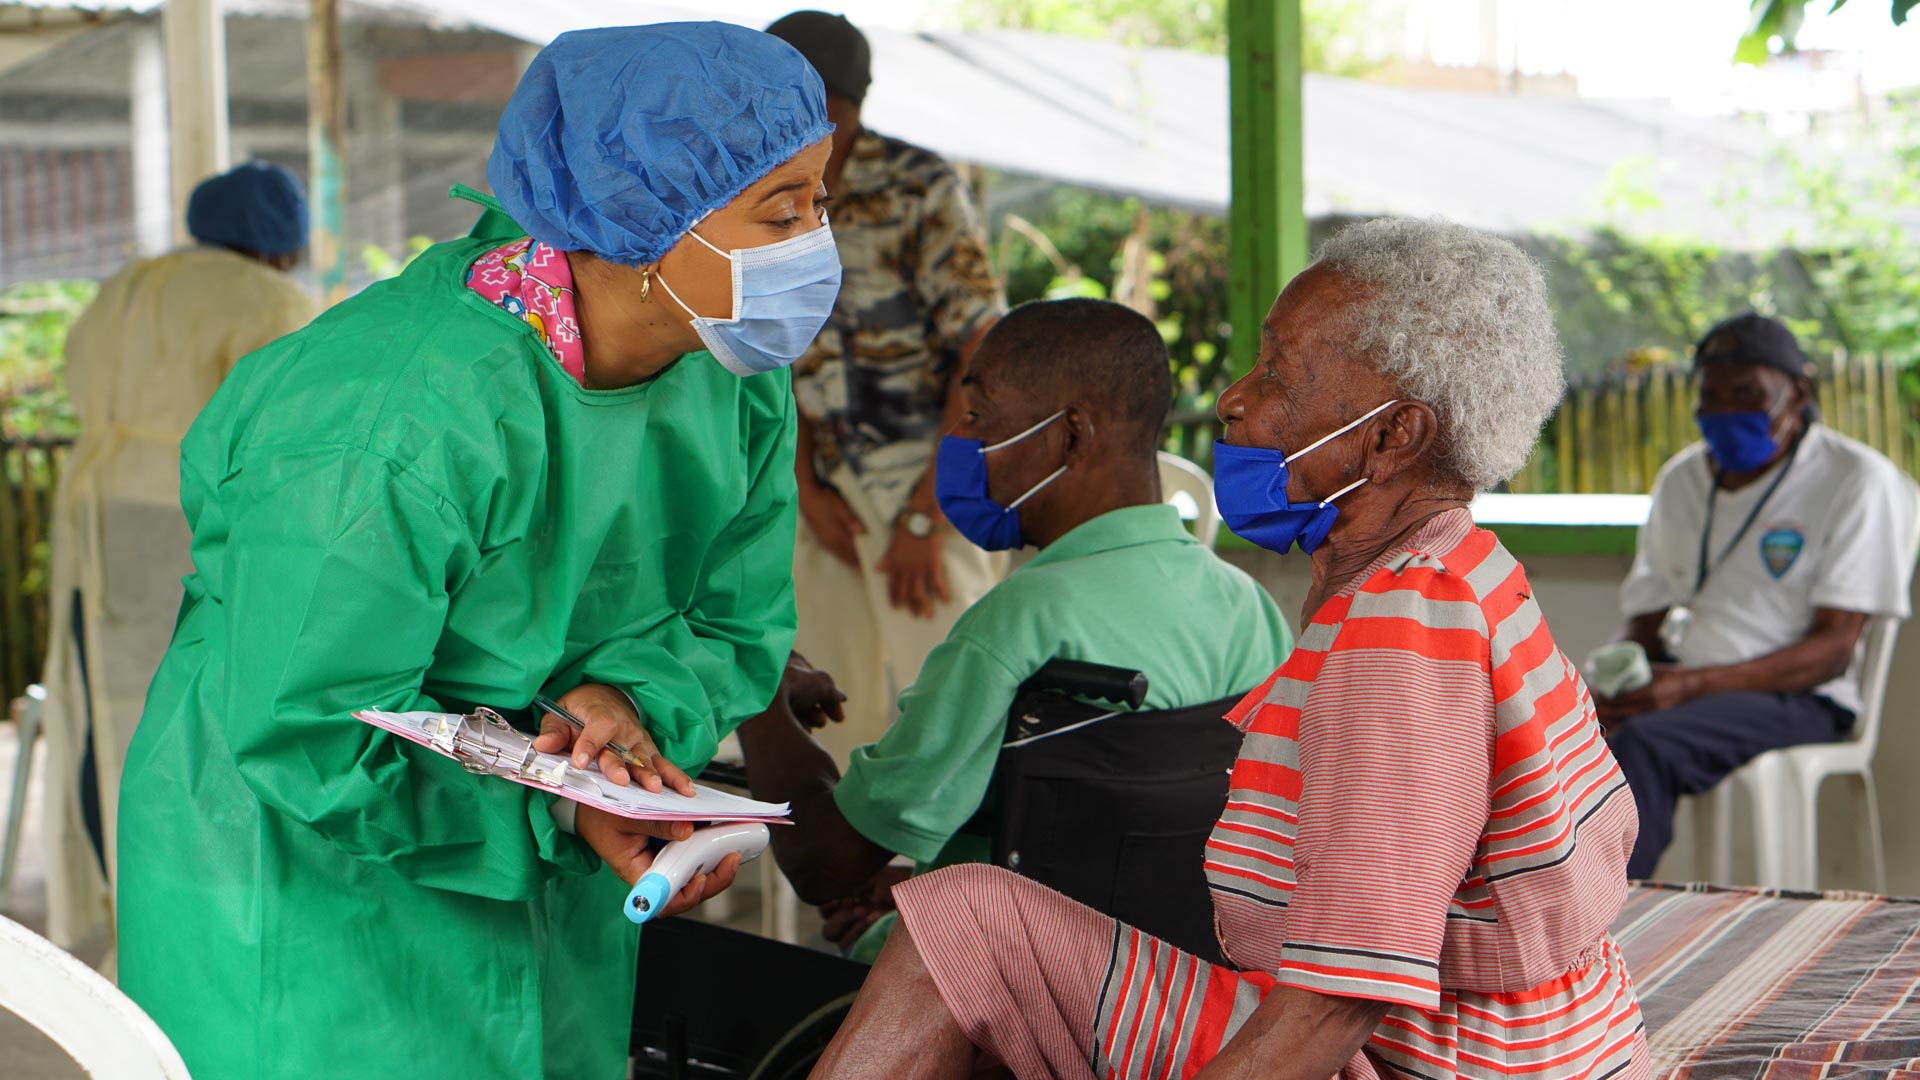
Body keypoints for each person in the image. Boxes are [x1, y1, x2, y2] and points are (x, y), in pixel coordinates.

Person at [117, 24, 837, 1079]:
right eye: (781, 210)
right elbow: (307, 728)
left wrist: (620, 708)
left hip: (542, 845)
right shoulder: (397, 421)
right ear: (642, 228)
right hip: (311, 861)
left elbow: (735, 623)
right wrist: (556, 805)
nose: (814, 243)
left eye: (822, 202)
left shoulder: (731, 376)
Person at [809, 219, 1648, 1080]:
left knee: (958, 921)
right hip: (1521, 1043)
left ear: (1393, 436)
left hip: (1446, 1064)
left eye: (1279, 371)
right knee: (966, 914)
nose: (1234, 399)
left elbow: (1338, 1002)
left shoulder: (1404, 624)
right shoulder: (1460, 563)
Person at [737, 298, 1292, 960]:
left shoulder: (1015, 627)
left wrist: (756, 686)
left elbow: (826, 862)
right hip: (1176, 979)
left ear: (1072, 436)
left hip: (1011, 986)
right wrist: (922, 882)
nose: (961, 443)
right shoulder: (1247, 607)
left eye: (978, 418)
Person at [37, 161, 315, 951]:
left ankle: (119, 911)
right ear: (282, 245)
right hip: (189, 514)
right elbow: (294, 426)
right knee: (191, 717)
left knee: (99, 706)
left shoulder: (127, 285)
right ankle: (183, 926)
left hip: (92, 509)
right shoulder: (270, 300)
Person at [766, 11, 1009, 762]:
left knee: (956, 711)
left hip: (927, 485)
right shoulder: (761, 193)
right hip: (821, 491)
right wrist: (805, 485)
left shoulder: (917, 185)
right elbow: (769, 348)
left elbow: (982, 343)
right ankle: (844, 878)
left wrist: (927, 510)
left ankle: (961, 880)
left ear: (846, 105)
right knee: (832, 713)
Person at [1600, 313, 1918, 879]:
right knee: (1551, 729)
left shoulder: (1855, 479)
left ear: (1799, 391)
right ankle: (1507, 918)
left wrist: (1689, 686)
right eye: (1711, 395)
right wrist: (1606, 686)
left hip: (1800, 694)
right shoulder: (1683, 480)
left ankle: (1596, 923)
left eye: (1746, 393)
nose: (1725, 410)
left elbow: (1833, 650)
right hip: (1687, 680)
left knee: (1646, 745)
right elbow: (1643, 623)